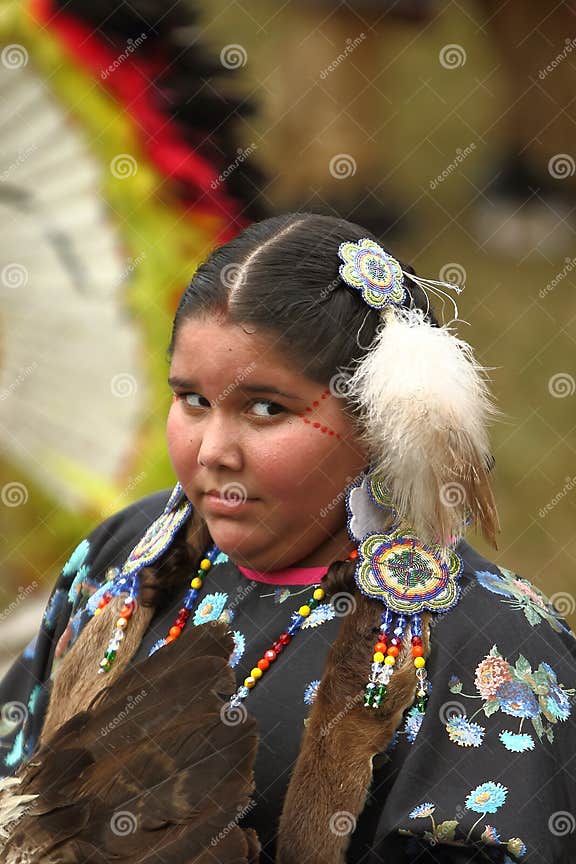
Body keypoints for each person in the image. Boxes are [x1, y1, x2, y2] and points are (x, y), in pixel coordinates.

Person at [0, 213, 575, 863]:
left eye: (267, 408)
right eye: (191, 399)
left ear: (378, 420)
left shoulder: (488, 644)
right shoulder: (125, 560)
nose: (213, 450)